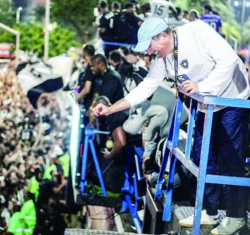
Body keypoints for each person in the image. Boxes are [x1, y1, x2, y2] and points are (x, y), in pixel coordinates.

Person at [93, 17, 250, 234]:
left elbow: (229, 61)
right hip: (206, 104)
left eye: (150, 46)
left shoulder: (198, 31)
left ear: (163, 36)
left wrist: (202, 86)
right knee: (201, 156)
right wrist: (111, 109)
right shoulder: (164, 57)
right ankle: (210, 210)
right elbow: (145, 88)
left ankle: (236, 217)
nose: (148, 53)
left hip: (233, 99)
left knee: (230, 159)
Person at [76, 45, 96, 111]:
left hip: (89, 104)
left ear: (85, 53)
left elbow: (87, 89)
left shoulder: (90, 67)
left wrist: (76, 99)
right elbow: (78, 86)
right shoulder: (95, 65)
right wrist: (76, 91)